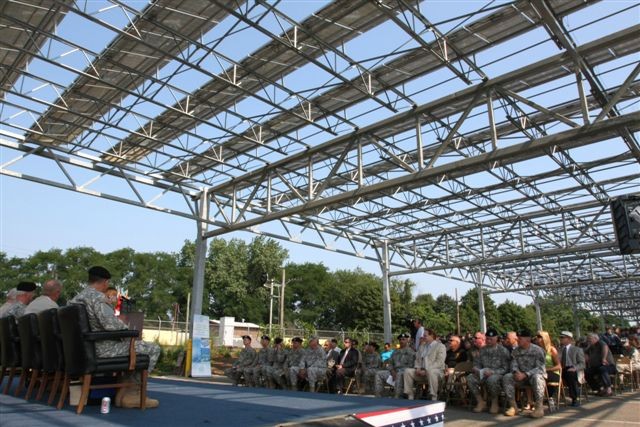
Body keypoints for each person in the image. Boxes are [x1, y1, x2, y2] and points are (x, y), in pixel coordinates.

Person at [70, 266, 160, 408]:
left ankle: (123, 392)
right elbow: (111, 326)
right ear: (105, 282)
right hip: (102, 349)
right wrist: (129, 332)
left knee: (137, 349)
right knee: (153, 348)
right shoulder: (98, 299)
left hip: (83, 349)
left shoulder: (75, 300)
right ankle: (132, 394)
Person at [503, 329, 546, 418]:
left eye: (520, 339)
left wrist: (526, 374)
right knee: (507, 377)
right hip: (520, 377)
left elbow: (540, 368)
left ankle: (539, 407)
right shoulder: (515, 351)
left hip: (532, 376)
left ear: (528, 339)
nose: (517, 340)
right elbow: (513, 364)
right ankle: (513, 406)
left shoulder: (538, 350)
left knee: (538, 377)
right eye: (517, 338)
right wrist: (516, 372)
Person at [467, 328, 511, 414]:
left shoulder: (503, 351)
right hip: (483, 374)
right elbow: (477, 363)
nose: (489, 341)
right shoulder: (482, 350)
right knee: (470, 378)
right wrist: (476, 369)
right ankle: (480, 402)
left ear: (496, 339)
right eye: (487, 339)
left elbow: (506, 368)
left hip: (498, 375)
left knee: (492, 379)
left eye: (491, 339)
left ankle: (495, 403)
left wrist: (493, 372)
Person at [403, 329, 446, 400]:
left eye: (425, 335)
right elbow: (417, 359)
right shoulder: (422, 346)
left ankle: (433, 396)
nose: (423, 337)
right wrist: (417, 368)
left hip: (436, 372)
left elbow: (439, 362)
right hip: (421, 372)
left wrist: (427, 370)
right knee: (407, 371)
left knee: (431, 372)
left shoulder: (440, 346)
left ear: (431, 336)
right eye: (423, 335)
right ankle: (410, 395)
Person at [374, 333, 415, 398]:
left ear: (407, 341)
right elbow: (390, 363)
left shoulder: (411, 352)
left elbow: (411, 366)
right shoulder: (395, 352)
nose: (401, 341)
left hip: (403, 373)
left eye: (403, 339)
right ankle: (379, 396)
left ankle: (397, 397)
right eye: (400, 340)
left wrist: (398, 372)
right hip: (393, 372)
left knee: (399, 374)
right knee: (379, 373)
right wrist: (392, 371)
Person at [559, 331, 585, 407]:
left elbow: (582, 363)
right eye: (561, 337)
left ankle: (574, 398)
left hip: (572, 368)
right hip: (561, 368)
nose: (561, 339)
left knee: (571, 375)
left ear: (569, 339)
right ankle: (550, 397)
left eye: (562, 337)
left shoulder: (577, 349)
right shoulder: (559, 349)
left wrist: (574, 368)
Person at [537, 331, 561, 406]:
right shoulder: (537, 350)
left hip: (553, 373)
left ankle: (547, 397)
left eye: (539, 337)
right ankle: (533, 400)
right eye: (537, 337)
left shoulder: (552, 350)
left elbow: (559, 366)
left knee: (540, 377)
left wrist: (547, 369)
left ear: (545, 338)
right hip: (540, 371)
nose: (537, 339)